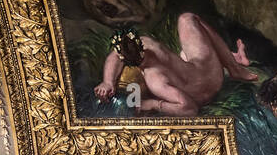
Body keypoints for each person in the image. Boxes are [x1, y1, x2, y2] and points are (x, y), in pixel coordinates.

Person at [94, 18, 256, 116]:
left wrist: (108, 82)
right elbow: (190, 109)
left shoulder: (154, 78)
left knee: (184, 51)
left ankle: (234, 65)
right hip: (209, 78)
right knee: (187, 19)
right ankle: (233, 62)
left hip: (208, 78)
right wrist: (108, 81)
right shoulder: (149, 51)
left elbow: (190, 109)